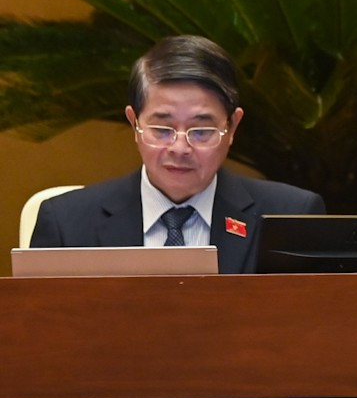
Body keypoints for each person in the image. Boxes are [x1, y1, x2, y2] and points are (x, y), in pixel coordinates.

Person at [29, 35, 325, 273]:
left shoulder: (291, 216)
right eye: (162, 128)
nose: (180, 148)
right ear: (134, 124)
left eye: (201, 132)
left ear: (232, 126)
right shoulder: (65, 225)